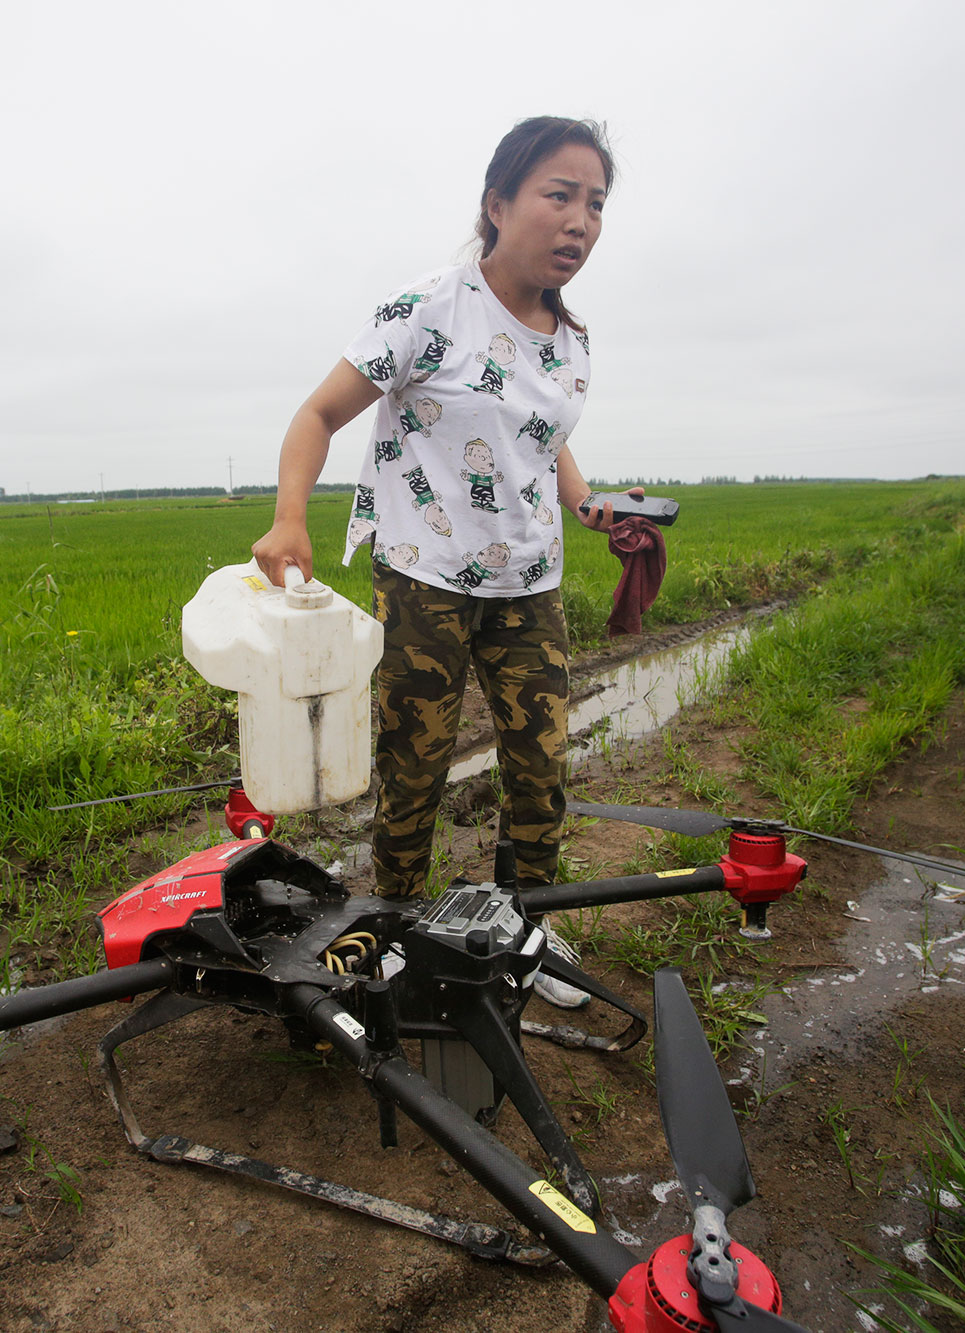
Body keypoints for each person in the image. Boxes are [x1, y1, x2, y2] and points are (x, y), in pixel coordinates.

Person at [251, 116, 637, 1007]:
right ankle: (393, 924)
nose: (580, 221)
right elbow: (318, 414)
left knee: (541, 764)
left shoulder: (572, 339)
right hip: (424, 575)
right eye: (560, 195)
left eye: (595, 204)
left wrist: (585, 500)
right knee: (415, 762)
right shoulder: (427, 309)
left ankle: (525, 926)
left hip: (528, 583)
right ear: (498, 205)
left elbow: (542, 436)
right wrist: (288, 518)